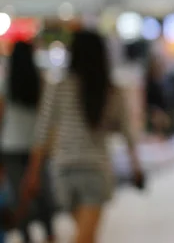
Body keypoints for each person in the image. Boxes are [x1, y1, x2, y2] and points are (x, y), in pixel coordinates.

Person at [21, 30, 143, 243]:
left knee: (85, 235)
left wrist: (33, 173)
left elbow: (42, 131)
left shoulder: (57, 87)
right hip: (96, 169)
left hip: (64, 169)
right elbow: (126, 132)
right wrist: (136, 166)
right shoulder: (111, 91)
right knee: (86, 236)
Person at [0, 41, 56, 243]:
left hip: (11, 145)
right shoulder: (40, 81)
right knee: (41, 191)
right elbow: (49, 116)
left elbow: (1, 115)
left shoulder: (6, 83)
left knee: (19, 194)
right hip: (36, 145)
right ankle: (50, 234)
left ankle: (26, 237)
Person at [145, 55, 171, 137]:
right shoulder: (147, 84)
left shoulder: (165, 84)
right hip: (150, 112)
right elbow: (145, 102)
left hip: (163, 112)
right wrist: (153, 111)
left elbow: (167, 103)